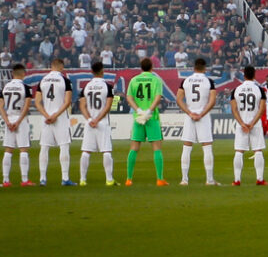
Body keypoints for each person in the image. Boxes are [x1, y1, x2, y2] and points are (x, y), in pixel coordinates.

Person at [176, 58, 219, 185]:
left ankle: (184, 179)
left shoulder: (186, 81)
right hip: (203, 117)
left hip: (190, 116)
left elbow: (179, 99)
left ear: (194, 67)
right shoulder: (209, 81)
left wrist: (190, 113)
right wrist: (201, 114)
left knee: (187, 147)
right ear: (205, 68)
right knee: (207, 147)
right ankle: (209, 179)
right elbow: (212, 101)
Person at [126, 58, 167, 186]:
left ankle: (129, 179)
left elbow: (129, 97)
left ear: (141, 67)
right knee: (156, 148)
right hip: (151, 118)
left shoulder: (134, 80)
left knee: (134, 148)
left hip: (138, 118)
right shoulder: (156, 80)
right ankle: (160, 179)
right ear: (152, 67)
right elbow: (157, 97)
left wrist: (138, 110)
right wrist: (149, 111)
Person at [34, 58, 74, 186]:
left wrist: (47, 115)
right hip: (60, 117)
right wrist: (56, 115)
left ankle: (42, 179)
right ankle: (65, 178)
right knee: (64, 146)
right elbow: (67, 102)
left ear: (51, 66)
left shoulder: (43, 80)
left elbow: (37, 102)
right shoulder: (65, 80)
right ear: (61, 67)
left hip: (46, 118)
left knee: (44, 147)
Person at [78, 62, 116, 186]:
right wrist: (98, 119)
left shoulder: (86, 87)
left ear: (92, 72)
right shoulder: (107, 87)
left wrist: (90, 120)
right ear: (102, 71)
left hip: (90, 124)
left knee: (86, 151)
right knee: (106, 151)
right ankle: (109, 179)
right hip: (102, 123)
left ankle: (82, 180)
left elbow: (82, 106)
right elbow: (108, 106)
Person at [230, 65, 267, 186]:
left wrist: (242, 123)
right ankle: (260, 179)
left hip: (241, 125)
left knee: (239, 151)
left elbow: (234, 109)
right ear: (254, 75)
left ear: (244, 75)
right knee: (258, 151)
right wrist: (252, 123)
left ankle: (237, 180)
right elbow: (262, 109)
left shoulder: (236, 90)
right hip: (255, 124)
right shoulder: (259, 90)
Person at [0, 64, 34, 186]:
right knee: (23, 149)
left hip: (9, 118)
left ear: (12, 74)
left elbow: (1, 107)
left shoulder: (5, 87)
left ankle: (5, 180)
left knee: (8, 150)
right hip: (21, 119)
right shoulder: (26, 88)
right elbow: (27, 106)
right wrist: (18, 121)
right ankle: (24, 180)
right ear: (23, 74)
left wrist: (7, 121)